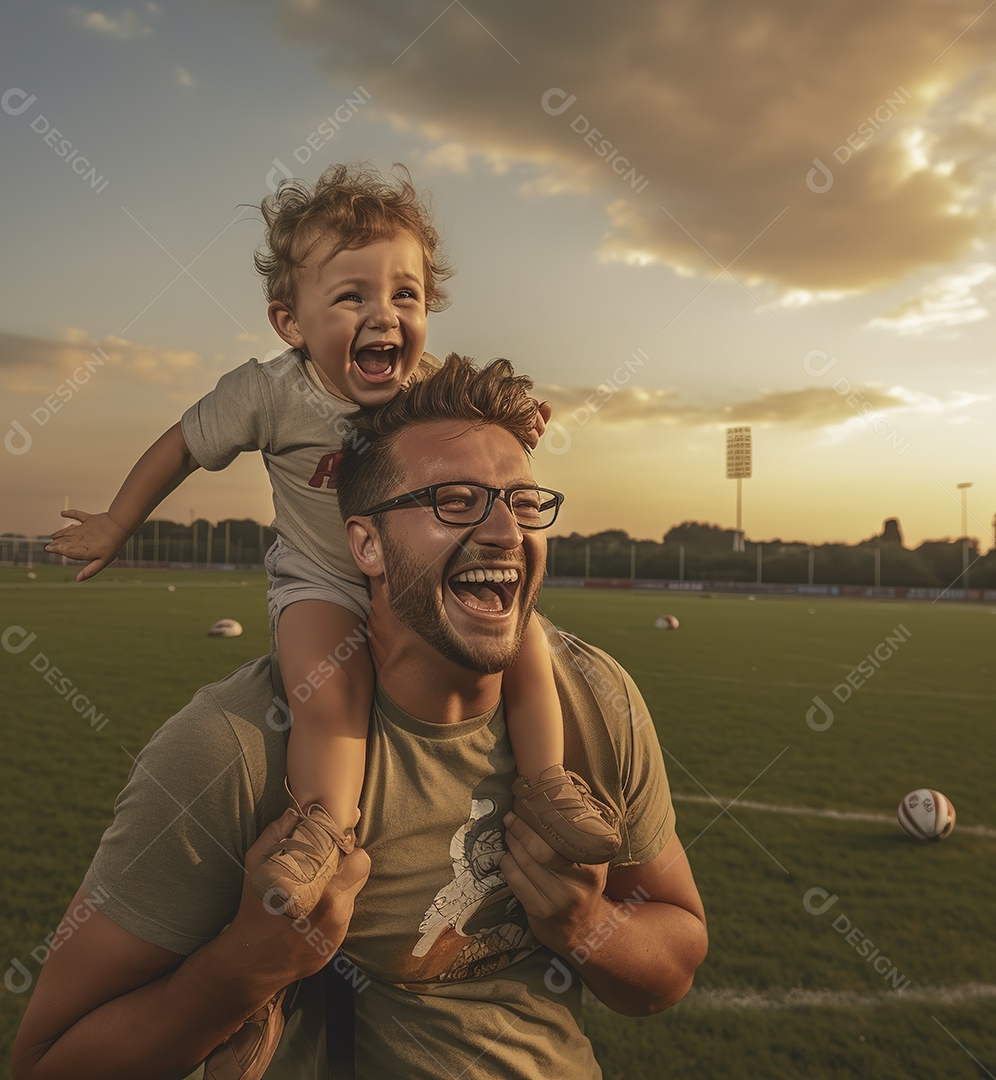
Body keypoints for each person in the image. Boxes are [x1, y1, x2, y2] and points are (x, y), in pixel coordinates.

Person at [13, 354, 707, 1079]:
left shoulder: (596, 700)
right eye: (456, 500)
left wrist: (587, 926)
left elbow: (671, 971)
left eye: (525, 503)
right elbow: (48, 1065)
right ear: (365, 544)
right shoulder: (232, 749)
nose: (506, 531)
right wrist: (242, 969)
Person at [43, 166, 620, 922]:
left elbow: (484, 437)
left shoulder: (429, 382)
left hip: (418, 581)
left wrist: (516, 426)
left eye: (404, 295)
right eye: (352, 296)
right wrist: (120, 521)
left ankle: (547, 784)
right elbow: (182, 445)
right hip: (321, 574)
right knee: (327, 692)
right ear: (292, 323)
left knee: (525, 651)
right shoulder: (267, 392)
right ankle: (323, 826)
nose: (384, 315)